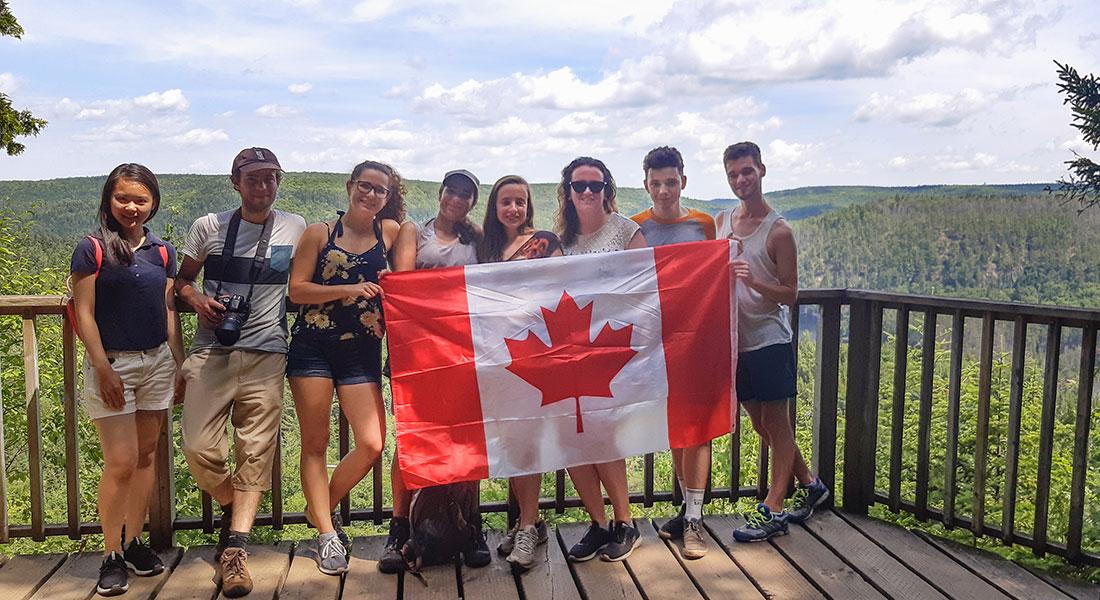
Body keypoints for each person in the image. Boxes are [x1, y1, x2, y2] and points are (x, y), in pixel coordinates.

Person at [175, 148, 306, 597]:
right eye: (254, 179)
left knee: (256, 450)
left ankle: (236, 549)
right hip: (212, 351)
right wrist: (198, 302)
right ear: (235, 182)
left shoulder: (295, 226)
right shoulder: (209, 227)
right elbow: (182, 283)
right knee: (198, 448)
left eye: (272, 178)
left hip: (268, 353)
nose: (263, 186)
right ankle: (236, 509)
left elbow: (309, 278)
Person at [70, 164, 184, 597]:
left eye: (140, 199)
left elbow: (168, 309)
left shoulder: (162, 251)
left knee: (146, 457)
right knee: (120, 461)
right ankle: (111, 553)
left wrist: (180, 362)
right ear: (108, 200)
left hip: (156, 361)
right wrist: (103, 368)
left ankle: (134, 540)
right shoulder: (92, 248)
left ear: (153, 202)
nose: (132, 207)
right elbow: (84, 313)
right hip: (113, 364)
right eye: (123, 199)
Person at [287, 160, 404, 575]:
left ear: (389, 197)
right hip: (312, 348)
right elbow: (297, 289)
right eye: (365, 187)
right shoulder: (320, 233)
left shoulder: (387, 233)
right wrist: (350, 289)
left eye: (380, 191)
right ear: (350, 186)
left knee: (372, 443)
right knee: (315, 444)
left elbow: (406, 281)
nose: (371, 195)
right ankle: (326, 534)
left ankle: (320, 509)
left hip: (362, 353)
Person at [715, 141, 829, 543]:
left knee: (777, 425)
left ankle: (775, 507)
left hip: (769, 339)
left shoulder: (779, 231)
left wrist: (752, 280)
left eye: (747, 171)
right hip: (736, 341)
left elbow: (791, 293)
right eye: (733, 174)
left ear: (762, 170)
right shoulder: (722, 220)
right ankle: (812, 487)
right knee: (760, 423)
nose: (741, 180)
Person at [378, 169, 489, 573]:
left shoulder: (476, 239)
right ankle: (400, 526)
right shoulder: (414, 233)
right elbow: (404, 286)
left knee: (468, 438)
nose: (457, 199)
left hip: (463, 351)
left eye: (466, 194)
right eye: (452, 191)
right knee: (411, 436)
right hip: (416, 351)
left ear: (473, 202)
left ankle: (469, 524)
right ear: (441, 194)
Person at [556, 156, 647, 562]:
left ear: (607, 188)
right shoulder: (561, 238)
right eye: (580, 186)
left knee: (606, 436)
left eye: (596, 185)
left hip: (611, 351)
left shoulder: (628, 231)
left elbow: (646, 290)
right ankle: (598, 523)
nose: (588, 192)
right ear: (568, 192)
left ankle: (625, 522)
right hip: (568, 353)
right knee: (573, 440)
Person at [629, 146, 716, 559]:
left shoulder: (703, 224)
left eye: (671, 182)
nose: (664, 191)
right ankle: (686, 512)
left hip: (697, 338)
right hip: (654, 343)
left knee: (698, 427)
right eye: (656, 183)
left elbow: (713, 277)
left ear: (684, 180)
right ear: (646, 184)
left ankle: (696, 521)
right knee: (677, 429)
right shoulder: (636, 228)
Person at [476, 175, 562, 570]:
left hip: (534, 353)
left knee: (526, 439)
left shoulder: (543, 241)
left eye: (520, 202)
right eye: (506, 201)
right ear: (495, 207)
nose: (513, 208)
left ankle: (527, 524)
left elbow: (564, 287)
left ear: (529, 206)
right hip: (496, 355)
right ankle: (530, 521)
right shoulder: (486, 246)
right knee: (511, 439)